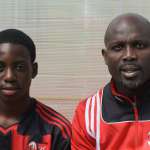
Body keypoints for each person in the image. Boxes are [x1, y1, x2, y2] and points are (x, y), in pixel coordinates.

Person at [71, 13, 150, 149]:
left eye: (139, 45)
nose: (129, 55)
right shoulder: (87, 114)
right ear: (106, 57)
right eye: (118, 47)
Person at [0, 29, 71, 150]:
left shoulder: (56, 130)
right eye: (0, 67)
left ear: (34, 70)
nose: (9, 77)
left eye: (19, 67)